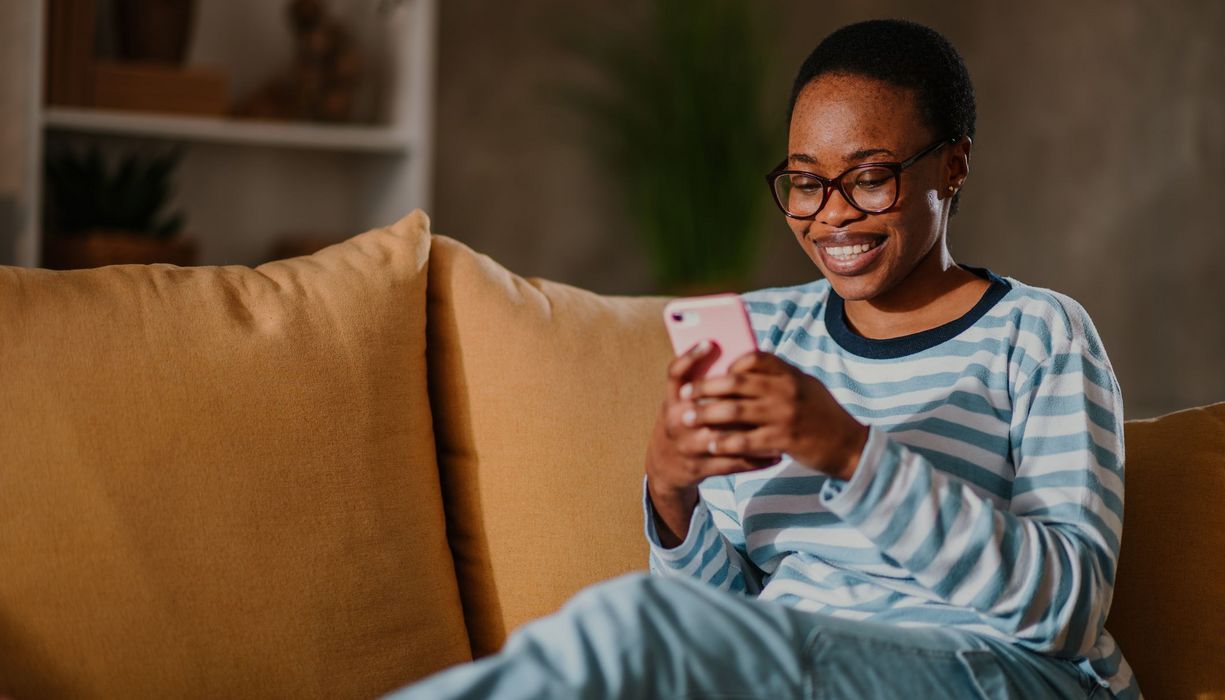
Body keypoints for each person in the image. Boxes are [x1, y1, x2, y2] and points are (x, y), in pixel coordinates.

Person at [388, 18, 1137, 700]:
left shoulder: (1038, 333)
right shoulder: (768, 332)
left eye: (870, 177)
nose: (831, 213)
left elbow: (1067, 609)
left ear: (953, 165)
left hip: (994, 669)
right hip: (793, 670)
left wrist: (849, 453)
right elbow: (719, 622)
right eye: (806, 183)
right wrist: (673, 500)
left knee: (628, 628)